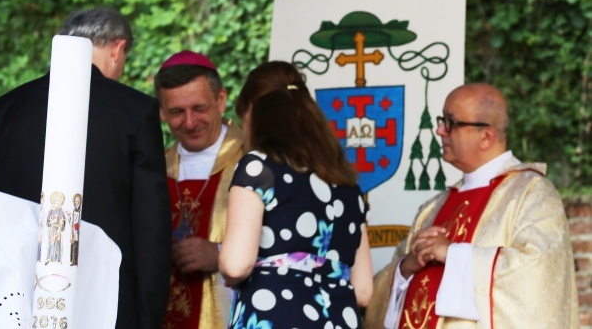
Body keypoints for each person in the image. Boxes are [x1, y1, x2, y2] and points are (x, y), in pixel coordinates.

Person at [0, 8, 172, 329]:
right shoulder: (134, 112)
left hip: (10, 300)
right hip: (109, 302)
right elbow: (150, 229)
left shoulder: (0, 112)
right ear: (118, 49)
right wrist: (149, 316)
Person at [364, 83, 579, 328]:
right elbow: (379, 300)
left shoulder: (531, 194)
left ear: (486, 136)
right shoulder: (433, 207)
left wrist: (453, 255)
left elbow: (536, 277)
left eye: (450, 122)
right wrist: (406, 267)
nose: (439, 130)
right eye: (441, 120)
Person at [219, 60, 373, 328]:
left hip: (277, 315)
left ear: (254, 112)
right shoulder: (348, 184)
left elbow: (235, 264)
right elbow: (362, 291)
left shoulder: (259, 168)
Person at [154, 50, 246, 329]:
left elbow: (289, 245)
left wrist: (221, 255)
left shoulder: (252, 161)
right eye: (176, 112)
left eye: (199, 108)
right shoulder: (153, 169)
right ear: (161, 111)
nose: (190, 122)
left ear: (220, 100)